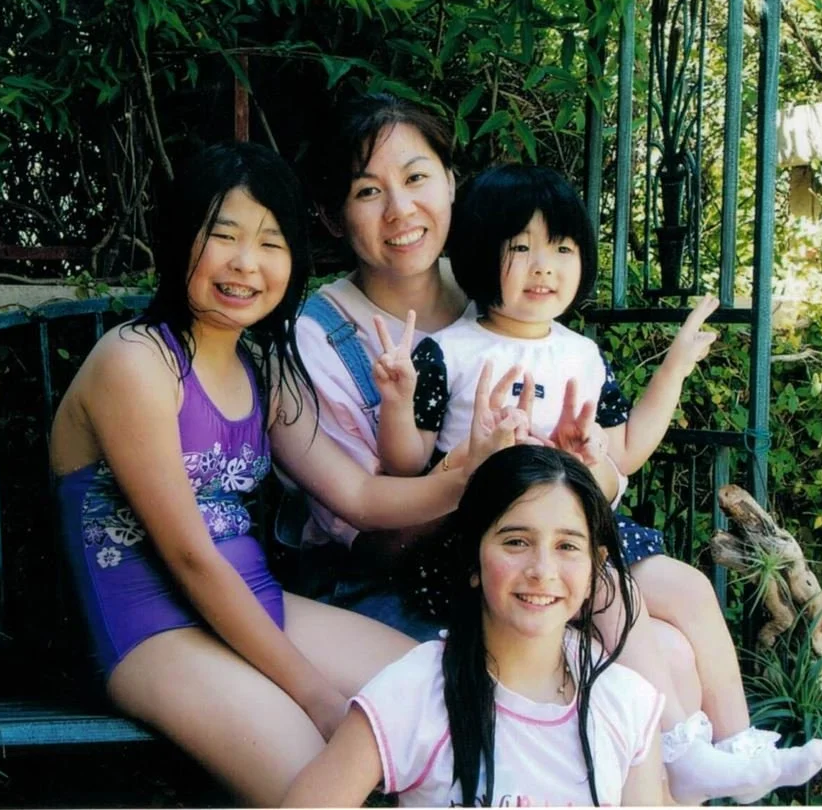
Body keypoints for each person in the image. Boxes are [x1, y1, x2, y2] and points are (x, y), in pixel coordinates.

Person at [51, 142, 517, 806]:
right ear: (181, 238)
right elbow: (188, 556)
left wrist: (465, 474)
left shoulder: (261, 369)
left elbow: (355, 494)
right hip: (152, 629)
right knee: (326, 787)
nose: (246, 263)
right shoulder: (135, 361)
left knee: (453, 691)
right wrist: (316, 695)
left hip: (256, 607)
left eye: (271, 242)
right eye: (224, 236)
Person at [370, 162, 822, 804]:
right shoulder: (450, 352)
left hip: (589, 532)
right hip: (500, 548)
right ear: (478, 254)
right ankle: (679, 747)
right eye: (521, 248)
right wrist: (398, 400)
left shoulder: (581, 355)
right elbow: (402, 462)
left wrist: (670, 370)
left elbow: (626, 452)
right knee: (621, 606)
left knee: (692, 588)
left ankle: (739, 748)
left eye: (561, 248)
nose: (544, 267)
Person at [283, 445, 666, 807]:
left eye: (567, 546)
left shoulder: (625, 704)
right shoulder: (413, 693)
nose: (542, 571)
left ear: (595, 567)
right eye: (516, 542)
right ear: (471, 560)